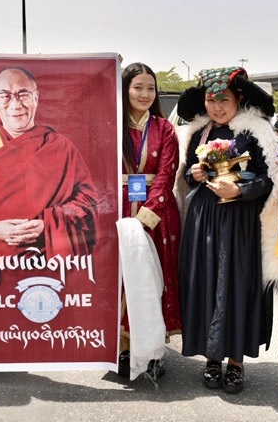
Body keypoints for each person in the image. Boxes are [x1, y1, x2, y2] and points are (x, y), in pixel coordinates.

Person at [176, 66, 278, 394]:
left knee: (236, 286)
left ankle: (236, 361)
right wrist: (194, 175)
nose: (217, 107)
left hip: (240, 222)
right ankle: (212, 357)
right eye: (211, 100)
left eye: (223, 99)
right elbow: (185, 177)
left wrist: (239, 189)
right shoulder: (198, 133)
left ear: (238, 98)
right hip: (203, 221)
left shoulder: (255, 133)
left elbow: (270, 179)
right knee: (207, 282)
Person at [0, 67, 98, 258]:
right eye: (4, 95)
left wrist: (47, 225)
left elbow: (88, 202)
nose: (15, 105)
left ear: (36, 97)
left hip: (48, 254)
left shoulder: (60, 146)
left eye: (23, 94)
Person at [117, 62, 181, 379]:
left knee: (152, 281)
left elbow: (167, 173)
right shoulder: (110, 125)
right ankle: (123, 349)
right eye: (137, 87)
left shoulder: (164, 129)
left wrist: (147, 215)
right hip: (118, 210)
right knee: (121, 282)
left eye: (150, 88)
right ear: (124, 89)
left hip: (155, 216)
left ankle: (154, 351)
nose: (145, 94)